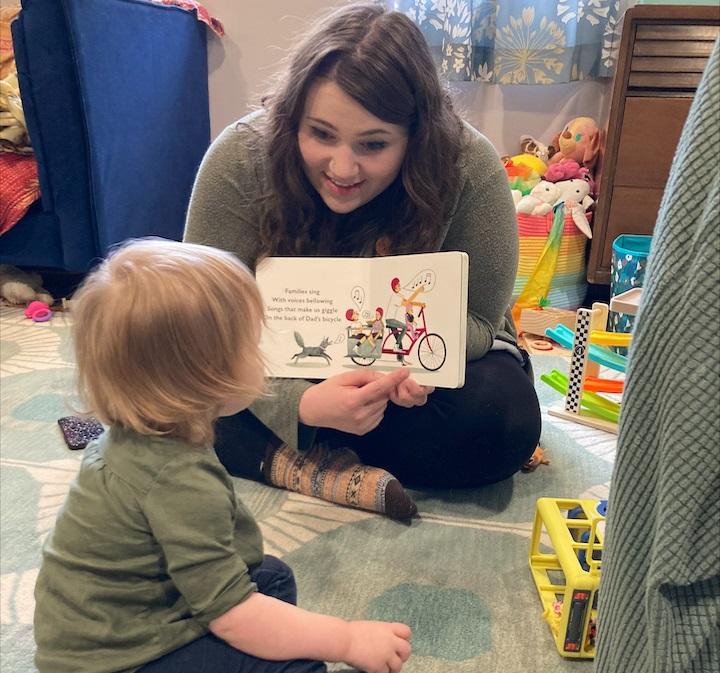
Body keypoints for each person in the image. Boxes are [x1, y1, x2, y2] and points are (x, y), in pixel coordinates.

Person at [184, 3, 541, 519]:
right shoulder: (241, 159)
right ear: (291, 116)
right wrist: (296, 404)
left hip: (415, 378)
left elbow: (484, 322)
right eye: (321, 134)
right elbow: (200, 325)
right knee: (157, 390)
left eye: (373, 145)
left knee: (500, 420)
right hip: (263, 367)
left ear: (417, 137)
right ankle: (302, 450)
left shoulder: (469, 166)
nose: (342, 167)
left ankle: (280, 451)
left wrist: (401, 366)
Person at [33, 239, 412, 673]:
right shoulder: (178, 478)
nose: (262, 358)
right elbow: (231, 614)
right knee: (298, 663)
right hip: (119, 659)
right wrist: (346, 639)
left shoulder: (145, 436)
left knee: (270, 577)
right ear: (207, 377)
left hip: (118, 620)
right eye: (251, 346)